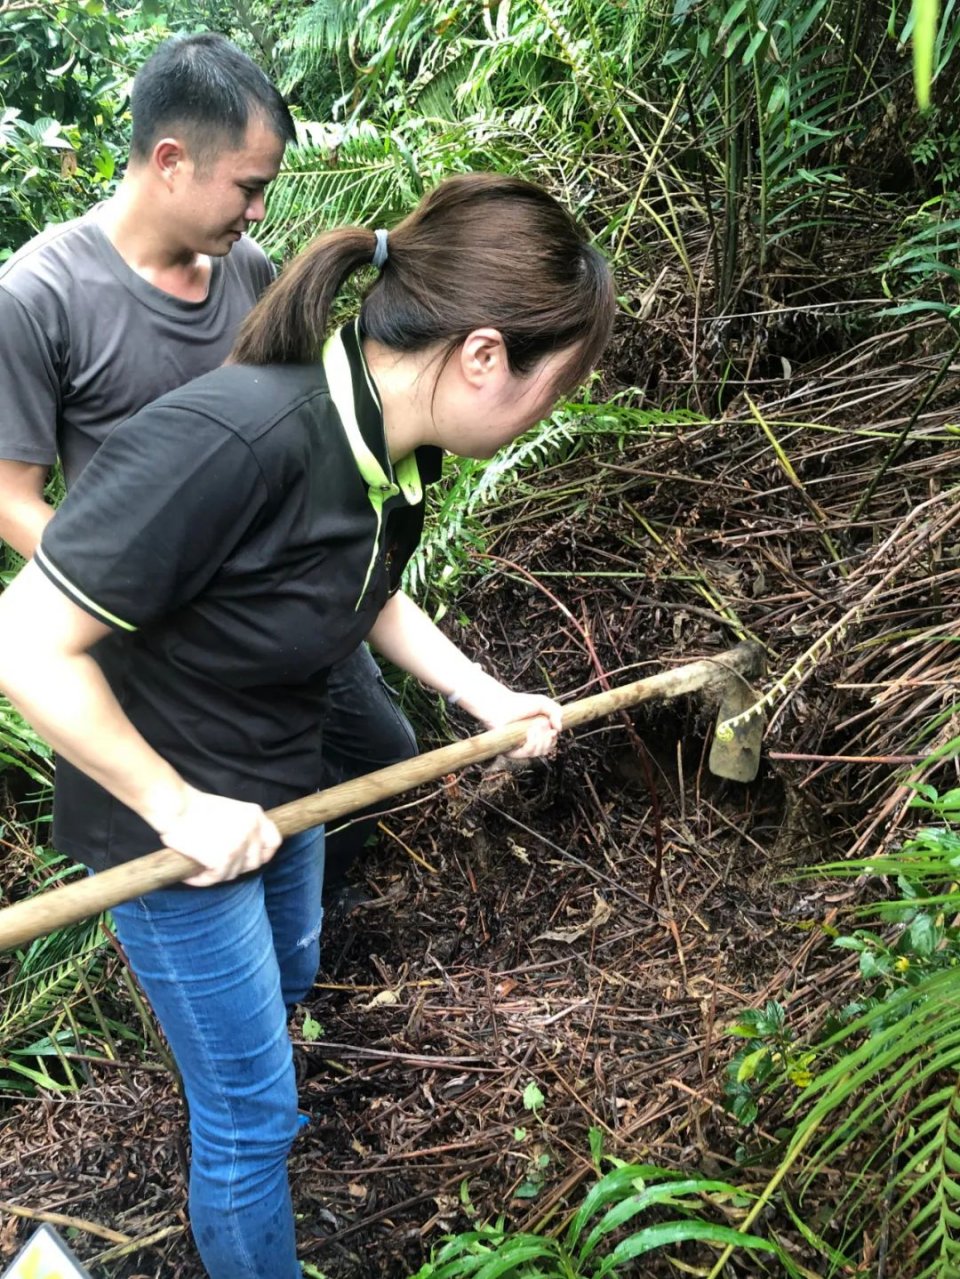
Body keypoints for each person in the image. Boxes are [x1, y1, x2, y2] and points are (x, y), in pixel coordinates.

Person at [0, 172, 615, 1278]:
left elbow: (362, 586)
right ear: (484, 356)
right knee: (247, 1118)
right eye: (552, 389)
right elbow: (24, 643)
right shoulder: (233, 440)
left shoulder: (397, 449)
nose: (549, 414)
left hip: (285, 783)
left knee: (287, 980)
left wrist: (485, 693)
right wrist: (176, 806)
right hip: (169, 828)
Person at [0, 30, 416, 898]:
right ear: (171, 160)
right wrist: (151, 599)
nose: (259, 212)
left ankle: (310, 927)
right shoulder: (40, 297)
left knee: (381, 754)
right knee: (206, 837)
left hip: (289, 598)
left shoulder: (247, 271)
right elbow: (11, 499)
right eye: (249, 187)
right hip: (166, 628)